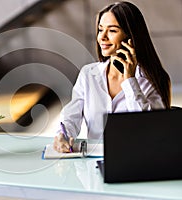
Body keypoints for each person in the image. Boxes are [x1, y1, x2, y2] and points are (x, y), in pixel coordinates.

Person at [53, 1, 171, 153]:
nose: (102, 37)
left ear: (130, 36)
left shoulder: (153, 80)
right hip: (94, 166)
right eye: (100, 29)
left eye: (112, 31)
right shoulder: (88, 74)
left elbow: (149, 129)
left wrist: (130, 81)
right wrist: (63, 134)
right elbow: (71, 116)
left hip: (137, 161)